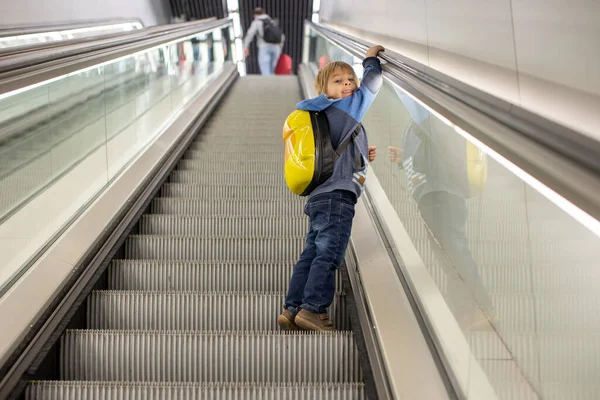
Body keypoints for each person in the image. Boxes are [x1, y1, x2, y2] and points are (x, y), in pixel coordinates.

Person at [277, 45, 385, 331]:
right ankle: (313, 309)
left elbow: (334, 149)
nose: (349, 84)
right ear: (323, 88)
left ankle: (292, 308)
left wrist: (363, 153)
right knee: (330, 253)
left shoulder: (322, 114)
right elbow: (373, 84)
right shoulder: (343, 108)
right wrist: (370, 60)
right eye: (338, 81)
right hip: (337, 198)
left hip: (319, 197)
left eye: (351, 78)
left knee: (312, 252)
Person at [387, 90, 495, 329]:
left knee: (453, 252)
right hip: (432, 193)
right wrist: (403, 158)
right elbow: (434, 154)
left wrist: (382, 61)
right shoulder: (423, 122)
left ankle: (480, 307)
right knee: (448, 256)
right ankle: (464, 313)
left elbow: (410, 98)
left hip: (441, 194)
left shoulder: (431, 111)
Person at [243, 7, 285, 75]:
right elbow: (282, 36)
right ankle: (273, 84)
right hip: (276, 47)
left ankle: (268, 84)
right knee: (273, 70)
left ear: (255, 15)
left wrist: (245, 46)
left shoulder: (256, 22)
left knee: (265, 70)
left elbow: (250, 34)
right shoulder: (272, 21)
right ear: (264, 12)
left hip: (264, 47)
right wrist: (280, 47)